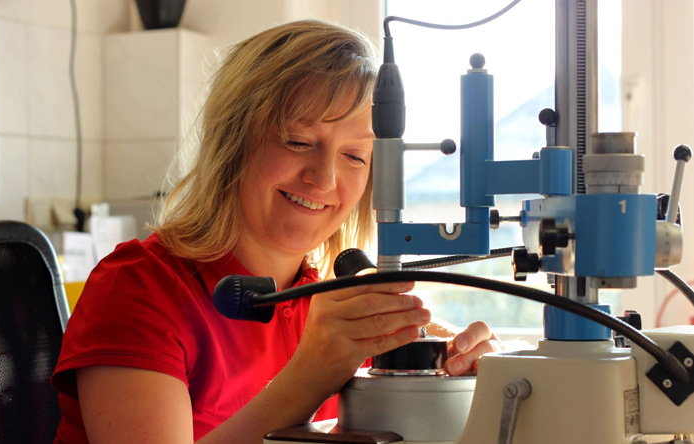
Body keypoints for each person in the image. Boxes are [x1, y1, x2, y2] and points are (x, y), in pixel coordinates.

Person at [51, 19, 501, 444]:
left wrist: (474, 373)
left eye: (354, 157)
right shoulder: (138, 288)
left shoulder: (329, 306)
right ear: (233, 142)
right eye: (298, 142)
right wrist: (309, 376)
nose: (324, 179)